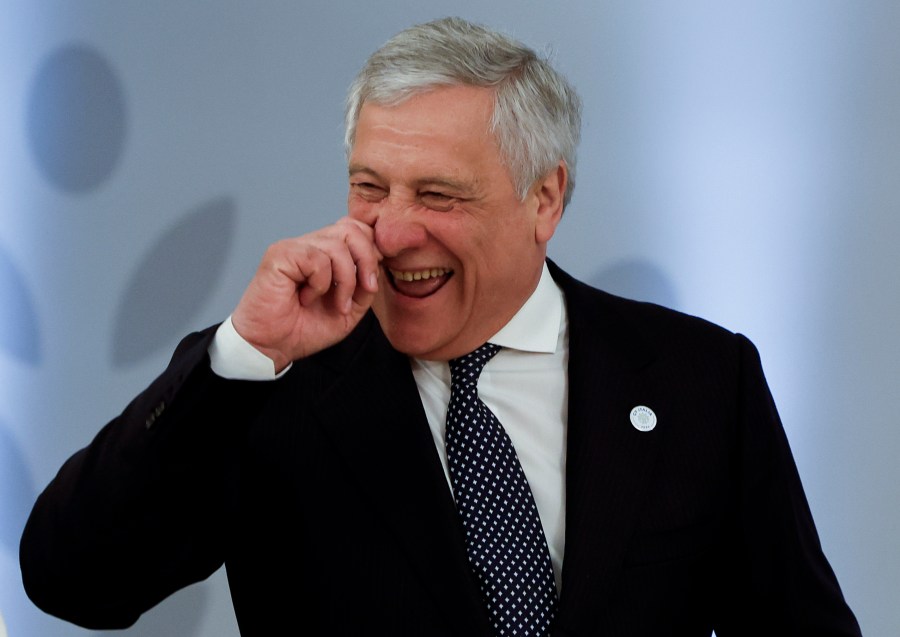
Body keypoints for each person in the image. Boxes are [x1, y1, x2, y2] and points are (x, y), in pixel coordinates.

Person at [20, 17, 860, 637]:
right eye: (369, 187)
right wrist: (244, 353)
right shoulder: (266, 379)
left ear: (546, 199)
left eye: (438, 195)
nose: (390, 232)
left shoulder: (699, 378)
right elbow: (74, 579)